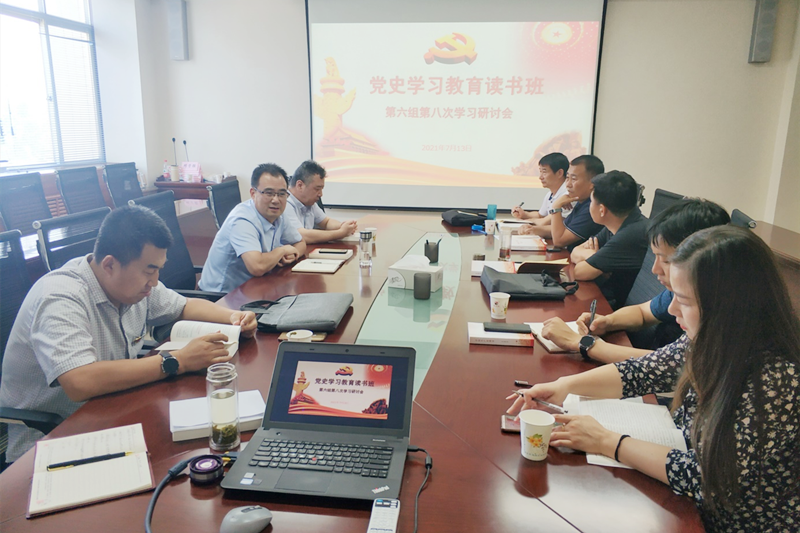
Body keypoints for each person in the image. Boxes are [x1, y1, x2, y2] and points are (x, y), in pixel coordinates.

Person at [508, 226, 800, 532]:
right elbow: (643, 370)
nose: (672, 309)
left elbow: (708, 480)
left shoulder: (777, 381)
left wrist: (606, 441)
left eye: (684, 301)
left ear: (729, 308)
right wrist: (563, 387)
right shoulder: (712, 338)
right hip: (687, 497)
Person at [0, 206, 258, 463]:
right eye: (149, 271)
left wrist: (234, 317)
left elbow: (183, 306)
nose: (154, 281)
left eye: (158, 270)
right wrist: (177, 361)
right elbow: (80, 381)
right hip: (49, 442)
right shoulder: (60, 297)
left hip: (112, 413)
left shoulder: (132, 286)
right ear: (110, 265)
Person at [542, 199, 730, 362]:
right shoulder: (683, 292)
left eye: (666, 261)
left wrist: (581, 343)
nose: (654, 269)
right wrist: (608, 321)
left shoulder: (721, 313)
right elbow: (643, 313)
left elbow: (669, 365)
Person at [199, 163, 306, 293]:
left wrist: (292, 255)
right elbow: (257, 267)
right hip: (220, 296)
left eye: (281, 194)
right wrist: (282, 251)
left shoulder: (278, 214)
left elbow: (300, 243)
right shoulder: (242, 220)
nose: (276, 200)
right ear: (253, 193)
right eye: (269, 193)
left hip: (255, 287)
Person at [570, 171, 648, 309]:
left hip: (619, 308)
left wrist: (593, 259)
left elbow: (580, 272)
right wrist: (595, 257)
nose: (589, 206)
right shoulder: (616, 223)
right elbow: (575, 251)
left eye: (591, 202)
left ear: (602, 210)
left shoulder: (629, 235)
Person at [284, 160, 358, 244]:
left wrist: (343, 226)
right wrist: (341, 233)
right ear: (300, 185)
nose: (321, 194)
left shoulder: (309, 203)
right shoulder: (285, 203)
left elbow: (326, 222)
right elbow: (301, 236)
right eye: (317, 189)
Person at [546, 154, 605, 249]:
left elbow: (559, 241)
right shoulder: (582, 201)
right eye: (567, 178)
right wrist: (533, 230)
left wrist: (556, 207)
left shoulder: (592, 208)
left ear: (592, 183)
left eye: (573, 179)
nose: (568, 184)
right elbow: (563, 229)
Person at [511, 152, 573, 238]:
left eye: (544, 172)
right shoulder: (550, 194)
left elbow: (543, 222)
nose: (540, 177)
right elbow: (540, 215)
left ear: (559, 173)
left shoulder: (567, 195)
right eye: (540, 172)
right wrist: (524, 214)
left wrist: (526, 221)